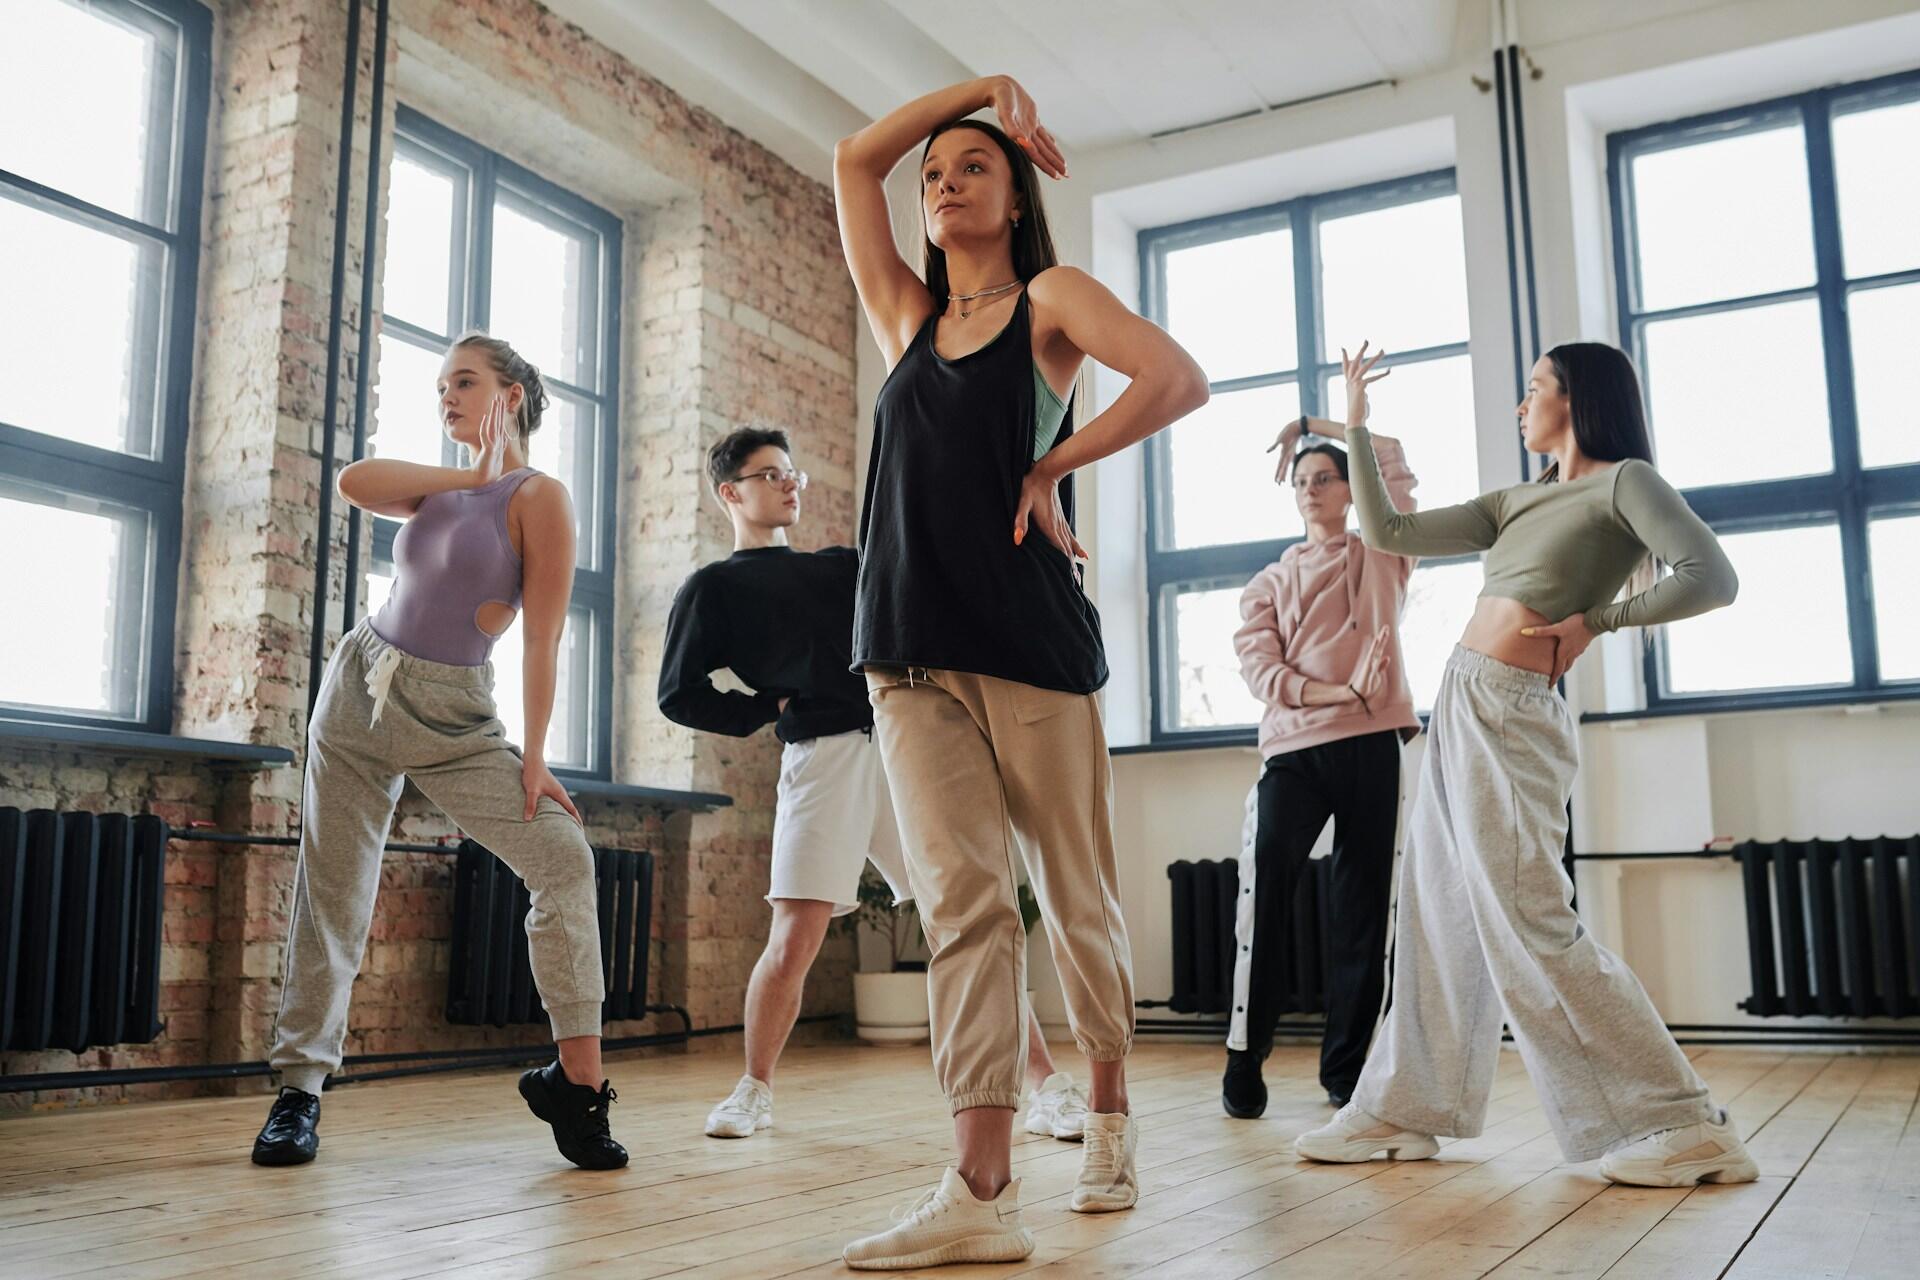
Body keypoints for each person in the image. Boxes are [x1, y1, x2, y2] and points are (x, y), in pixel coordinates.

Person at [832, 75, 1210, 1269]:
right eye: (935, 174)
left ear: (1015, 193)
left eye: (970, 168)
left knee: (1076, 894)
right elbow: (853, 162)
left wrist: (1052, 464)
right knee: (964, 911)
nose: (941, 184)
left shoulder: (1049, 300)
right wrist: (972, 96)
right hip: (905, 652)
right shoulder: (902, 317)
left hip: (1032, 649)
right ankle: (981, 1187)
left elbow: (1174, 378)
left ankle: (1107, 1115)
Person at [1295, 342, 1758, 1188]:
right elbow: (1388, 530)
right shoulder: (1519, 498)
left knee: (1529, 915)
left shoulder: (1624, 483)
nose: (1522, 404)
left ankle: (1680, 1119)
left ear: (1575, 398)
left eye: (1534, 387)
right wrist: (1356, 427)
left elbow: (1712, 577)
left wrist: (1600, 622)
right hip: (1461, 701)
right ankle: (1403, 1107)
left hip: (1513, 706)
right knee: (1435, 910)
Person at [251, 332, 626, 1172]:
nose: (446, 397)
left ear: (513, 395)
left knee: (563, 859)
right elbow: (353, 482)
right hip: (359, 690)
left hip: (457, 717)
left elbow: (543, 641)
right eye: (440, 386)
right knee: (334, 892)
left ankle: (579, 1087)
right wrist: (467, 473)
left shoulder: (542, 498)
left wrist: (534, 758)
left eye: (464, 382)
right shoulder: (438, 489)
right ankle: (298, 1092)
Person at [658, 426, 1090, 1144]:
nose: (790, 483)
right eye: (771, 475)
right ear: (730, 493)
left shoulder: (842, 566)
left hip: (904, 748)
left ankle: (1048, 1087)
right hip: (821, 761)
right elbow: (679, 693)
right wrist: (770, 709)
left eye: (792, 473)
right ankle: (752, 1089)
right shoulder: (714, 589)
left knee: (966, 921)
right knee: (794, 936)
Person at [1225, 413, 1417, 1120]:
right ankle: (1245, 1059)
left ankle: (1346, 1072)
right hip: (1294, 752)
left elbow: (1392, 458)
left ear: (1348, 488)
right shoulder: (1267, 584)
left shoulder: (1385, 554)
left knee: (1363, 908)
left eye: (1325, 478)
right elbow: (1262, 672)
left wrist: (1319, 424)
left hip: (1372, 745)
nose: (1310, 490)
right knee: (1265, 896)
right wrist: (1340, 692)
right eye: (1301, 481)